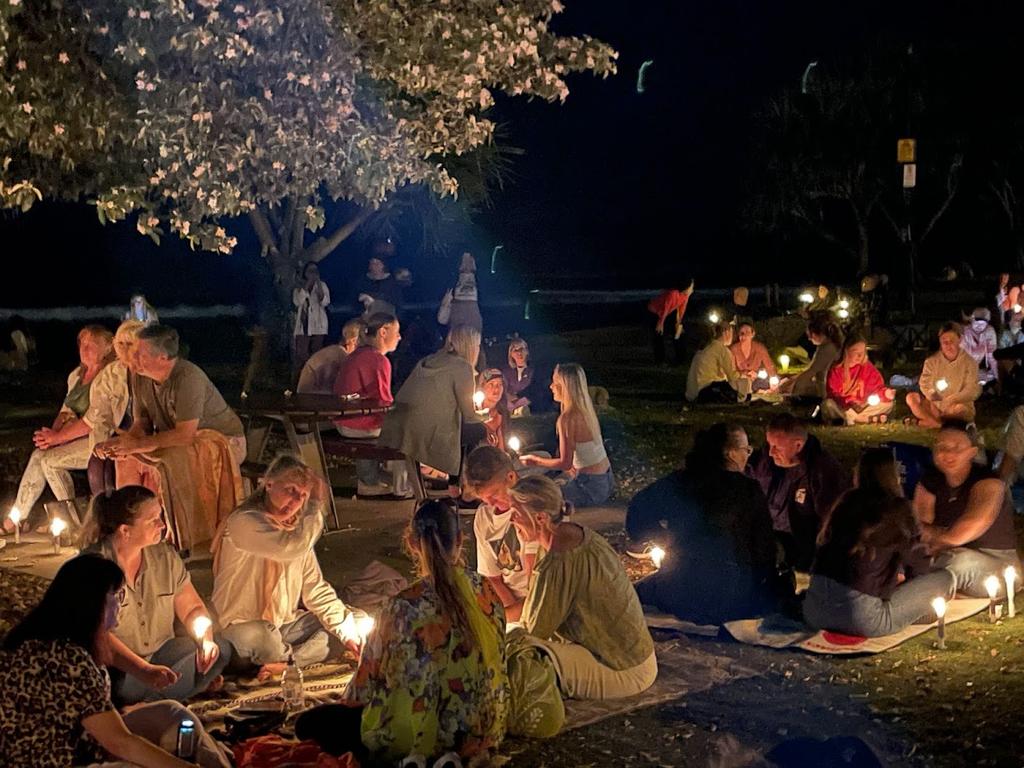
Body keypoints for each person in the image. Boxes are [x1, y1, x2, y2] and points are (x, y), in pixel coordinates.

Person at [296, 500, 511, 764]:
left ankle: (419, 755)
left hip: (415, 733)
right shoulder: (487, 591)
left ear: (411, 543)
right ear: (459, 539)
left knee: (309, 724)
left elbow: (359, 692)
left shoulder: (400, 606)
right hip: (485, 728)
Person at [0, 554, 229, 768]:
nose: (121, 605)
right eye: (117, 596)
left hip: (85, 740)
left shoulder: (62, 632)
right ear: (94, 603)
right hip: (62, 759)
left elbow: (109, 648)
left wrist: (145, 670)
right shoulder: (65, 658)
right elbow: (120, 742)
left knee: (172, 713)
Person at [212, 455, 366, 677]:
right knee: (264, 636)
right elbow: (288, 548)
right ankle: (291, 657)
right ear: (268, 484)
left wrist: (347, 634)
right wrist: (315, 505)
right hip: (242, 630)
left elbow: (315, 589)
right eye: (291, 490)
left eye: (303, 496)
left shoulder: (296, 534)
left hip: (285, 627)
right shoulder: (243, 522)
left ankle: (287, 662)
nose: (295, 501)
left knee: (355, 621)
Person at [96, 325, 245, 550]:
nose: (132, 357)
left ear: (163, 357)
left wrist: (138, 444)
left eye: (139, 353)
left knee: (171, 461)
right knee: (127, 458)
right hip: (177, 439)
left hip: (219, 441)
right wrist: (124, 444)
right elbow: (142, 422)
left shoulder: (188, 377)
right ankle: (129, 526)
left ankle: (180, 536)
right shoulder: (140, 377)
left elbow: (186, 434)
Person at [627, 424, 789, 625]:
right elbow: (764, 550)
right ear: (730, 453)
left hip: (680, 590)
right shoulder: (748, 490)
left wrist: (662, 536)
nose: (748, 456)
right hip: (731, 598)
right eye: (745, 450)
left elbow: (637, 511)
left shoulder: (680, 481)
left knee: (645, 587)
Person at [512, 475, 657, 700]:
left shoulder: (562, 555)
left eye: (516, 514)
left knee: (515, 654)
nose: (512, 521)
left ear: (539, 518)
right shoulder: (571, 534)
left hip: (621, 669)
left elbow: (534, 630)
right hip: (636, 658)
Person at [83, 486, 231, 705]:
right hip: (120, 669)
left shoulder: (165, 558)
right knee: (127, 687)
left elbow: (192, 609)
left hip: (164, 656)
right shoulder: (93, 567)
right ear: (125, 531)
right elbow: (99, 636)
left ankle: (160, 697)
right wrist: (144, 670)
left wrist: (206, 641)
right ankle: (168, 695)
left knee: (221, 649)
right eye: (153, 520)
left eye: (160, 516)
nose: (162, 525)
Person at [803, 448, 955, 637]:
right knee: (945, 579)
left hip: (813, 611)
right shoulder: (899, 508)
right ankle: (916, 614)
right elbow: (919, 565)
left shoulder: (845, 501)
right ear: (893, 476)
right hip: (862, 620)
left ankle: (912, 611)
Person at [6, 325, 114, 533]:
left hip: (99, 439)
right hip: (75, 435)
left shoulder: (109, 376)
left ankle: (75, 524)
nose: (84, 348)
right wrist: (51, 437)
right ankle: (18, 517)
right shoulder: (76, 375)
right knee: (40, 454)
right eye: (81, 344)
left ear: (108, 347)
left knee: (50, 462)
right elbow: (65, 412)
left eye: (91, 344)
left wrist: (58, 439)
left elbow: (93, 421)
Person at [913, 421, 1021, 597]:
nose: (948, 453)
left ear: (972, 452)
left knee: (959, 562)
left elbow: (963, 532)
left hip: (993, 562)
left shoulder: (988, 482)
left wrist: (933, 542)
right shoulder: (930, 481)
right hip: (945, 552)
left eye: (956, 448)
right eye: (942, 447)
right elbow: (918, 526)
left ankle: (916, 598)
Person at [380, 325, 484, 486]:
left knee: (467, 429)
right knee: (478, 430)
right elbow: (469, 414)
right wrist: (487, 417)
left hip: (401, 425)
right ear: (470, 346)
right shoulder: (462, 367)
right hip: (426, 431)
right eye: (477, 345)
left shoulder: (430, 359)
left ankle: (454, 482)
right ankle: (461, 486)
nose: (478, 349)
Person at [747, 414, 851, 571]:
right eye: (769, 445)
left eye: (777, 447)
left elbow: (831, 523)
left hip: (800, 548)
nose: (771, 452)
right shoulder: (765, 462)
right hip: (766, 536)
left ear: (798, 445)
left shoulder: (822, 471)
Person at [520, 363, 614, 507]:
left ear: (565, 386)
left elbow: (565, 463)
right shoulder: (585, 410)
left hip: (590, 487)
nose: (551, 387)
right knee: (556, 481)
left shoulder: (567, 419)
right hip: (606, 480)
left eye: (555, 382)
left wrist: (535, 461)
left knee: (534, 496)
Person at [332, 313, 405, 498]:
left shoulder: (358, 354)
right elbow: (383, 402)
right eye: (396, 332)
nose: (399, 337)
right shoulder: (378, 360)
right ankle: (401, 486)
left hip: (344, 419)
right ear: (383, 332)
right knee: (408, 429)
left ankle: (372, 477)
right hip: (357, 423)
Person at [465, 446, 537, 621]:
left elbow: (537, 585)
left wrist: (515, 616)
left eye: (495, 495)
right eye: (484, 499)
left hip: (538, 601)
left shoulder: (534, 508)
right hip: (510, 604)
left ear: (511, 477)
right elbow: (493, 578)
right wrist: (510, 614)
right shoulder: (484, 517)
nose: (491, 504)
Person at [85, 320, 145, 496]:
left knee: (119, 467)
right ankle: (106, 514)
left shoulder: (150, 371)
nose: (125, 348)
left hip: (143, 434)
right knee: (96, 464)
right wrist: (99, 445)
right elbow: (102, 416)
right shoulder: (110, 375)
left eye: (130, 343)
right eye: (121, 343)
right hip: (117, 432)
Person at [905, 322, 982, 428]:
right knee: (911, 398)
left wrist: (952, 399)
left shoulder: (969, 363)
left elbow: (972, 390)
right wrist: (933, 394)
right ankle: (939, 424)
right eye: (944, 341)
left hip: (956, 405)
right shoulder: (931, 362)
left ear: (959, 340)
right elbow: (924, 383)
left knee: (959, 410)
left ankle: (928, 422)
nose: (948, 345)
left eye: (951, 341)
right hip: (935, 404)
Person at [822, 335, 895, 425]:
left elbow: (877, 389)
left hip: (863, 408)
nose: (860, 356)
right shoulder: (836, 369)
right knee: (828, 404)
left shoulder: (867, 368)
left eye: (863, 352)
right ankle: (863, 419)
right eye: (856, 352)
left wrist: (886, 393)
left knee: (888, 404)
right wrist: (850, 402)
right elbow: (833, 394)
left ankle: (851, 419)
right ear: (846, 351)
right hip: (844, 407)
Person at [779, 312, 843, 400]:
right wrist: (791, 379)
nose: (809, 339)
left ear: (817, 334)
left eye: (810, 336)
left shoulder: (828, 348)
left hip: (828, 390)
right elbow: (810, 368)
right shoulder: (828, 345)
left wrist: (793, 388)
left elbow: (811, 371)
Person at [297, 317, 363, 395]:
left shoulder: (337, 352)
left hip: (313, 399)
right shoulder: (338, 357)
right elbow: (338, 390)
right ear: (354, 341)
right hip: (313, 400)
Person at [685, 323, 748, 403]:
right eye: (732, 333)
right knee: (741, 384)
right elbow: (732, 376)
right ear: (726, 332)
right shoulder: (722, 349)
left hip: (692, 393)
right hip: (707, 390)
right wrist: (743, 374)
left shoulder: (706, 347)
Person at [292, 261, 332, 374]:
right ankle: (301, 377)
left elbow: (325, 301)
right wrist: (307, 285)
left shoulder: (322, 285)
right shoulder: (298, 287)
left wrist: (318, 283)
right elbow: (298, 301)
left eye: (315, 271)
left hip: (318, 324)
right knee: (301, 353)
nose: (313, 273)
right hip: (303, 324)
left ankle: (314, 377)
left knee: (317, 353)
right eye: (310, 271)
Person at [647, 280, 694, 365]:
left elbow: (681, 310)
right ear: (686, 288)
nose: (692, 289)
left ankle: (680, 359)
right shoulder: (673, 294)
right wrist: (660, 324)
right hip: (655, 312)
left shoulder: (685, 296)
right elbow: (665, 309)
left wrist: (679, 323)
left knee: (678, 334)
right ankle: (660, 361)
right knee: (658, 336)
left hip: (667, 313)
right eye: (691, 287)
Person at [438, 251, 483, 333]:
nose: (466, 266)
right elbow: (442, 319)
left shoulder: (481, 286)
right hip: (457, 341)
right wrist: (446, 303)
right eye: (464, 262)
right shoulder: (452, 283)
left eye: (469, 261)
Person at [730, 322, 776, 390]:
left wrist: (773, 381)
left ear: (753, 334)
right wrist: (744, 374)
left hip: (756, 381)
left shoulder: (760, 348)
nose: (744, 335)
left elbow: (770, 366)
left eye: (747, 332)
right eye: (741, 333)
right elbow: (731, 370)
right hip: (741, 381)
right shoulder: (734, 349)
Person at [960, 307, 998, 384]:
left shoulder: (989, 331)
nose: (979, 326)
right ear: (971, 320)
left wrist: (997, 376)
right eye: (977, 322)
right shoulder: (964, 332)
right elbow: (962, 357)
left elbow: (992, 355)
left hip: (979, 370)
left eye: (983, 324)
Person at [479, 367, 511, 451]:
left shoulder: (503, 413)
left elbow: (502, 447)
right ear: (482, 386)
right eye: (491, 384)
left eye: (500, 384)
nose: (496, 389)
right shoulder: (472, 413)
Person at [500, 337, 535, 415]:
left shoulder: (533, 371)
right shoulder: (506, 372)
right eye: (515, 350)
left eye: (522, 349)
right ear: (511, 354)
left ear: (527, 351)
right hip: (510, 404)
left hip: (528, 403)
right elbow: (504, 389)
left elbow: (534, 390)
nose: (519, 353)